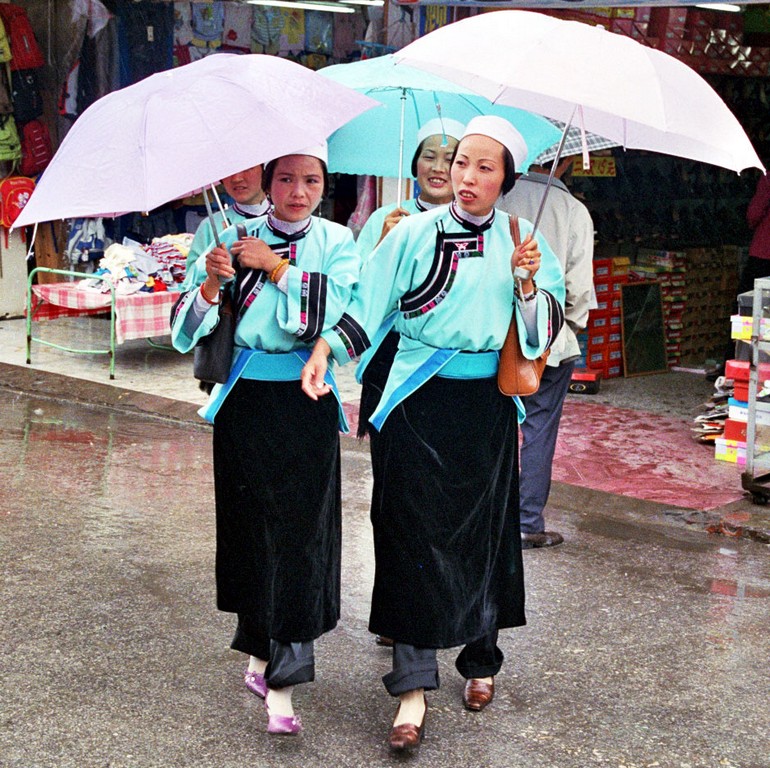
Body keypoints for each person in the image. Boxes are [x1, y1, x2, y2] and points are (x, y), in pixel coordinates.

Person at [301, 116, 565, 752]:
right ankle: (413, 687)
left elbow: (543, 332)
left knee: (486, 531)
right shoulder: (412, 232)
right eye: (460, 163)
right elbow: (368, 304)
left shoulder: (522, 241)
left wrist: (527, 283)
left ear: (507, 179)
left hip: (488, 407)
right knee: (408, 533)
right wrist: (328, 350)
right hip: (416, 396)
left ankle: (480, 660)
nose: (465, 177)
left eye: (483, 167)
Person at [170, 142, 359, 736]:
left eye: (310, 180)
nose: (297, 192)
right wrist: (208, 286)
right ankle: (259, 648)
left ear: (325, 184)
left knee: (303, 533)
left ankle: (284, 681)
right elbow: (181, 332)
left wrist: (275, 267)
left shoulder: (337, 242)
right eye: (285, 179)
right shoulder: (222, 232)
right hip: (244, 401)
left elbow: (341, 315)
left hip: (306, 399)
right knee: (251, 527)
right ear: (267, 181)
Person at [355, 116, 465, 648]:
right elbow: (355, 295)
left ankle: (445, 609)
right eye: (429, 155)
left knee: (449, 498)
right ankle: (397, 610)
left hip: (453, 379)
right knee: (393, 496)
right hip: (391, 368)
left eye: (452, 157)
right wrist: (384, 245)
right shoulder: (384, 217)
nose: (440, 167)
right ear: (413, 164)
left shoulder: (484, 227)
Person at [499, 155, 594, 548]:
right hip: (551, 340)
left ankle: (491, 515)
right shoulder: (574, 211)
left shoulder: (498, 197)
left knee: (496, 425)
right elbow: (579, 288)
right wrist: (568, 327)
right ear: (567, 160)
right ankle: (526, 521)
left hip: (497, 333)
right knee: (537, 430)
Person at [184, 163, 270, 274]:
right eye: (227, 170)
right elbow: (190, 282)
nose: (236, 178)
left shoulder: (286, 218)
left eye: (247, 168)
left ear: (265, 170)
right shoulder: (211, 225)